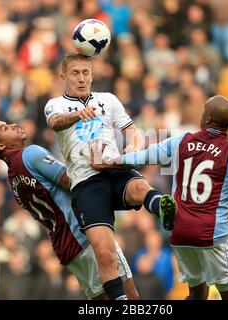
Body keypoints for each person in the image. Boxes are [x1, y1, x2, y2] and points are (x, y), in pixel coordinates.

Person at [91, 95, 228, 300]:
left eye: (203, 111)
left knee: (197, 296)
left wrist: (110, 161)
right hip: (214, 237)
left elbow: (142, 157)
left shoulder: (181, 141)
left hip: (181, 234)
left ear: (208, 119)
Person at [44, 53, 176, 300]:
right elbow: (55, 122)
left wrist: (133, 147)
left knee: (139, 186)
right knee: (105, 254)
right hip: (86, 184)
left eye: (86, 72)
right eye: (75, 73)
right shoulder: (55, 104)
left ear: (92, 74)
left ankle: (162, 207)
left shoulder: (108, 99)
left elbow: (131, 130)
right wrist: (77, 114)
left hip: (114, 169)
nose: (82, 78)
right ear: (63, 77)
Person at [0, 120, 138, 300]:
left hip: (66, 248)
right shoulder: (30, 154)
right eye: (4, 128)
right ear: (0, 145)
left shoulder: (13, 180)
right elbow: (74, 181)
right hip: (88, 232)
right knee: (129, 297)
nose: (13, 125)